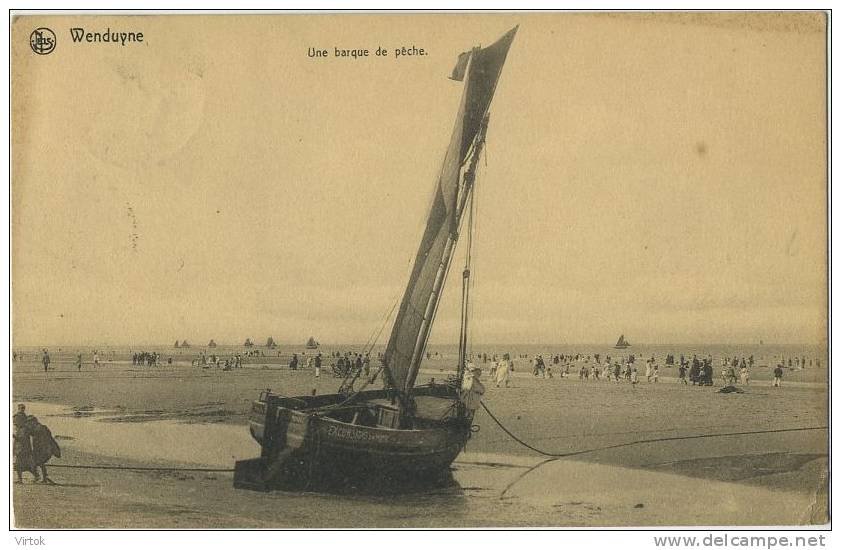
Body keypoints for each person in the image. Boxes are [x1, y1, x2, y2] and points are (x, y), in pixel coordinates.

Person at [27, 416, 60, 484]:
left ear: (33, 422)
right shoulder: (39, 427)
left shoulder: (39, 428)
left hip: (44, 449)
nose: (29, 424)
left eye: (30, 422)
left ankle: (41, 477)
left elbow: (43, 438)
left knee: (37, 462)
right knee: (39, 463)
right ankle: (42, 477)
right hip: (42, 449)